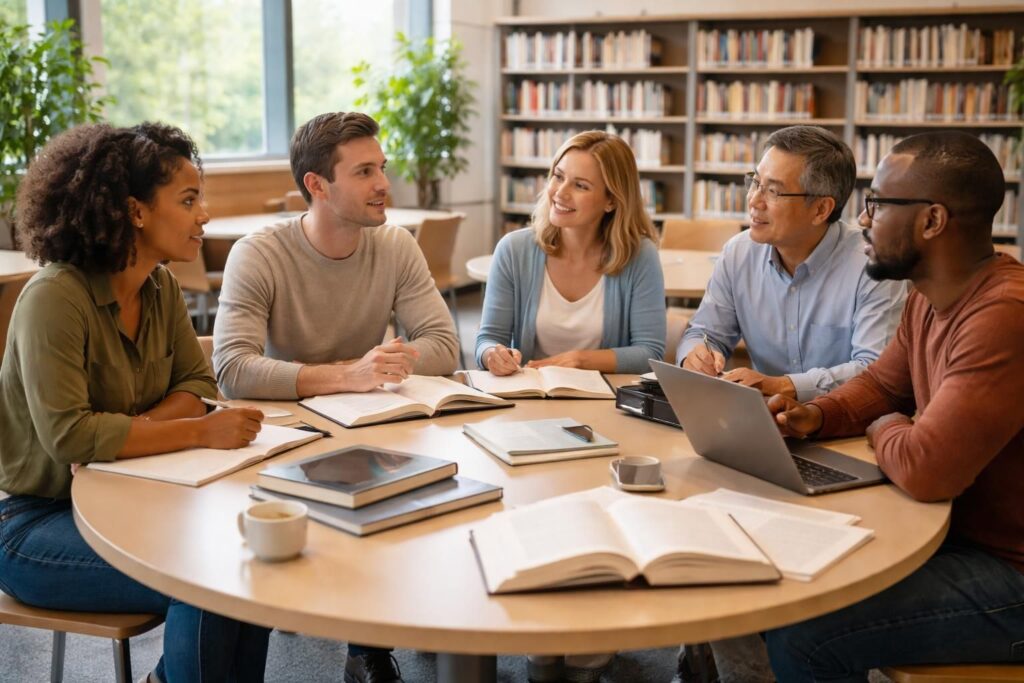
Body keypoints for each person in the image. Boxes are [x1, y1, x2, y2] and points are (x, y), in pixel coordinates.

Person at [0, 123, 271, 683]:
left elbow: (199, 387)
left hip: (140, 494)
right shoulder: (53, 298)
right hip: (36, 522)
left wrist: (126, 431)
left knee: (254, 568)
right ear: (136, 212)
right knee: (207, 581)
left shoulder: (160, 286)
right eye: (189, 200)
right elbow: (71, 438)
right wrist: (193, 432)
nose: (205, 216)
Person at [764, 131, 1024, 681]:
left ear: (931, 221)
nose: (862, 219)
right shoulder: (928, 296)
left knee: (805, 631)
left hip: (1010, 571)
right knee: (784, 571)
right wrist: (819, 415)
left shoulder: (1004, 314)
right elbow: (881, 386)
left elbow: (927, 469)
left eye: (878, 203)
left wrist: (890, 425)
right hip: (954, 536)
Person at [213, 111, 457, 683]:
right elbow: (231, 369)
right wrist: (347, 374)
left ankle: (372, 644)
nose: (383, 184)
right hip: (289, 434)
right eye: (364, 171)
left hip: (372, 424)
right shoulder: (260, 253)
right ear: (317, 186)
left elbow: (444, 344)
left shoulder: (395, 245)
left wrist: (385, 366)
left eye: (383, 168)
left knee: (432, 485)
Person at [677, 126, 907, 401]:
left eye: (773, 191)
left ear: (821, 209)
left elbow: (873, 370)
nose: (754, 200)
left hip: (849, 427)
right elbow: (704, 332)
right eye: (755, 182)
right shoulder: (739, 254)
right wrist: (696, 356)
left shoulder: (873, 266)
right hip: (762, 423)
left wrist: (783, 385)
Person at [475, 129, 666, 379]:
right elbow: (487, 339)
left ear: (611, 200)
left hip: (606, 403)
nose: (560, 193)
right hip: (529, 400)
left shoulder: (640, 255)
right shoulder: (513, 250)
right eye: (558, 176)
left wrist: (580, 360)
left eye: (580, 185)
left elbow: (649, 353)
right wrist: (492, 355)